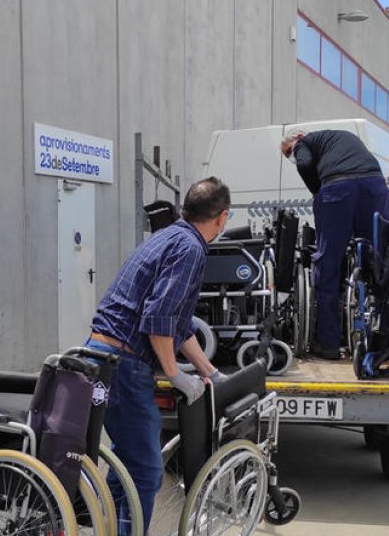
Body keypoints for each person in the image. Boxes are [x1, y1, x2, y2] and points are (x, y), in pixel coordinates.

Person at [84, 177, 229, 533]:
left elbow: (177, 326)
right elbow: (158, 320)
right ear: (222, 218)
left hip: (104, 356)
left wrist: (209, 371)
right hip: (123, 364)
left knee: (126, 463)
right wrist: (175, 375)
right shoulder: (191, 248)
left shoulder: (168, 236)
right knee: (148, 471)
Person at [281, 129, 389, 361]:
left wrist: (316, 190)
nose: (291, 157)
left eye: (288, 152)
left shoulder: (305, 143)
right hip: (374, 184)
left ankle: (329, 344)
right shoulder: (342, 137)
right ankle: (386, 339)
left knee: (328, 264)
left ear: (297, 138)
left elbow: (304, 164)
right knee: (382, 257)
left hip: (339, 190)